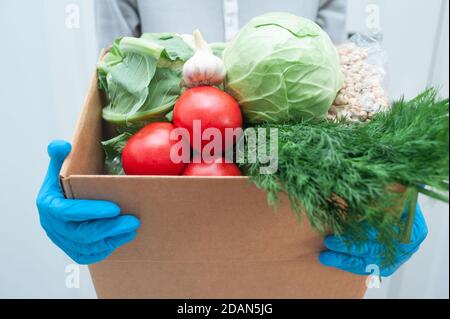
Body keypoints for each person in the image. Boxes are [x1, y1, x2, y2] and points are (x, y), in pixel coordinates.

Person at [37, 0, 428, 277]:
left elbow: (337, 69)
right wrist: (82, 176)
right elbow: (113, 78)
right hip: (170, 246)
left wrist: (387, 182)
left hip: (291, 245)